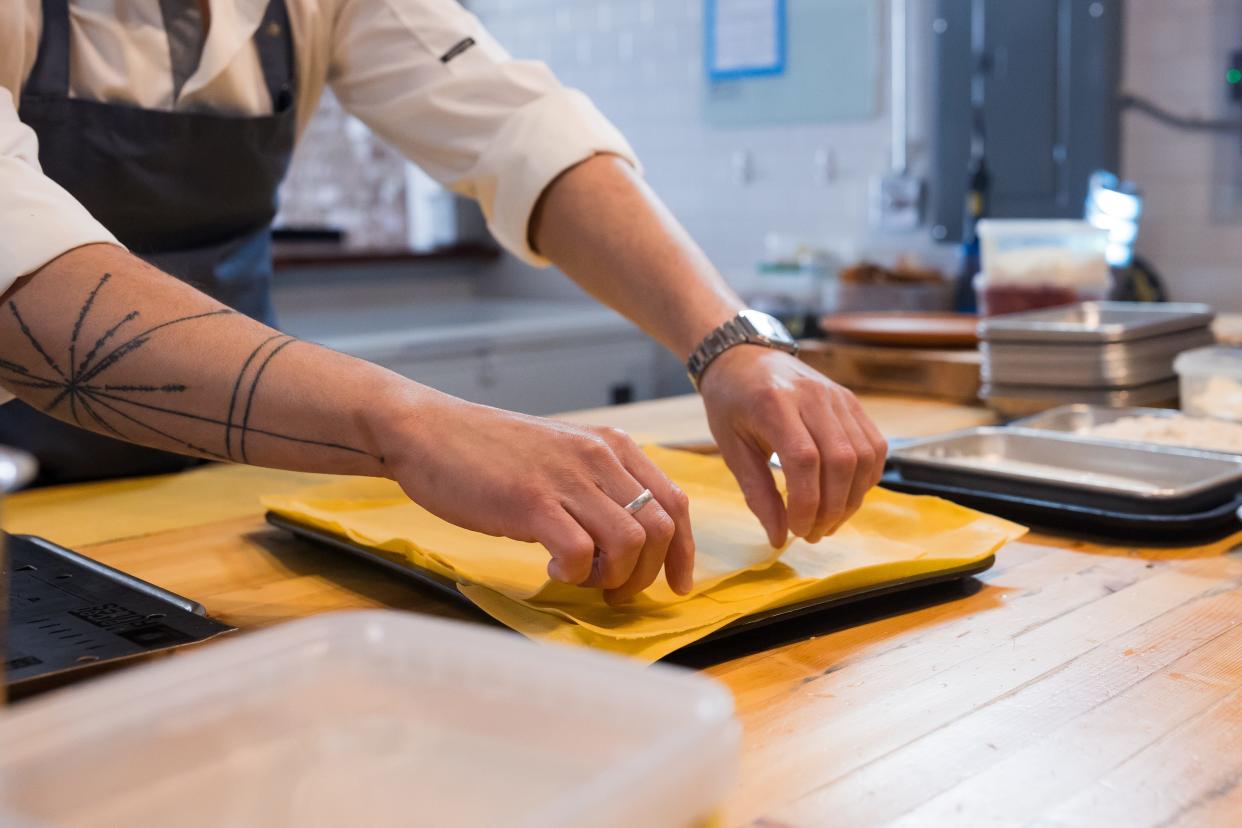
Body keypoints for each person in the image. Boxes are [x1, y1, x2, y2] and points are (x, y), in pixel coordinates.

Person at [0, 0, 887, 604]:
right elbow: (21, 277)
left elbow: (513, 124)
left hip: (214, 489)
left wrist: (732, 343)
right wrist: (414, 426)